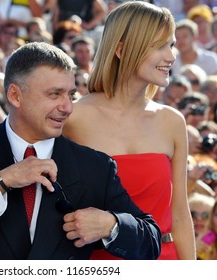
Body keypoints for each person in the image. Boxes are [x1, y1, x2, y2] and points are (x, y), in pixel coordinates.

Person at [0, 41, 161, 260]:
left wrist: (111, 225)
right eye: (54, 94)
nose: (67, 107)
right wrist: (2, 182)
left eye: (71, 95)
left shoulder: (94, 166)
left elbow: (151, 242)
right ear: (15, 95)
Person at [63, 1, 195, 260]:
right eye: (159, 46)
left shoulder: (172, 121)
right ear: (121, 50)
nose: (171, 56)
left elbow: (180, 213)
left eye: (171, 45)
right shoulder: (73, 118)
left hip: (165, 260)